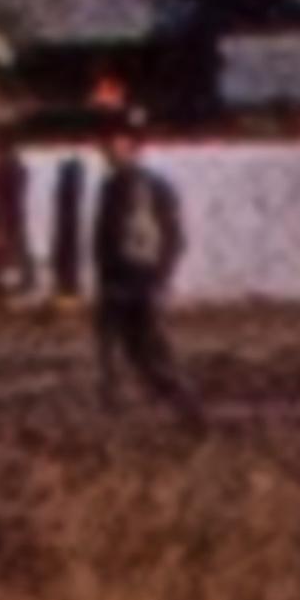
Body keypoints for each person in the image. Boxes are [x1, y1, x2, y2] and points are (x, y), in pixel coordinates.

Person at [89, 114, 201, 427]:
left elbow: (163, 236)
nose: (109, 149)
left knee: (140, 345)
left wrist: (156, 277)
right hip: (129, 277)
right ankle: (163, 399)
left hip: (136, 278)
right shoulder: (123, 186)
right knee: (126, 345)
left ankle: (175, 399)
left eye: (115, 142)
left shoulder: (135, 188)